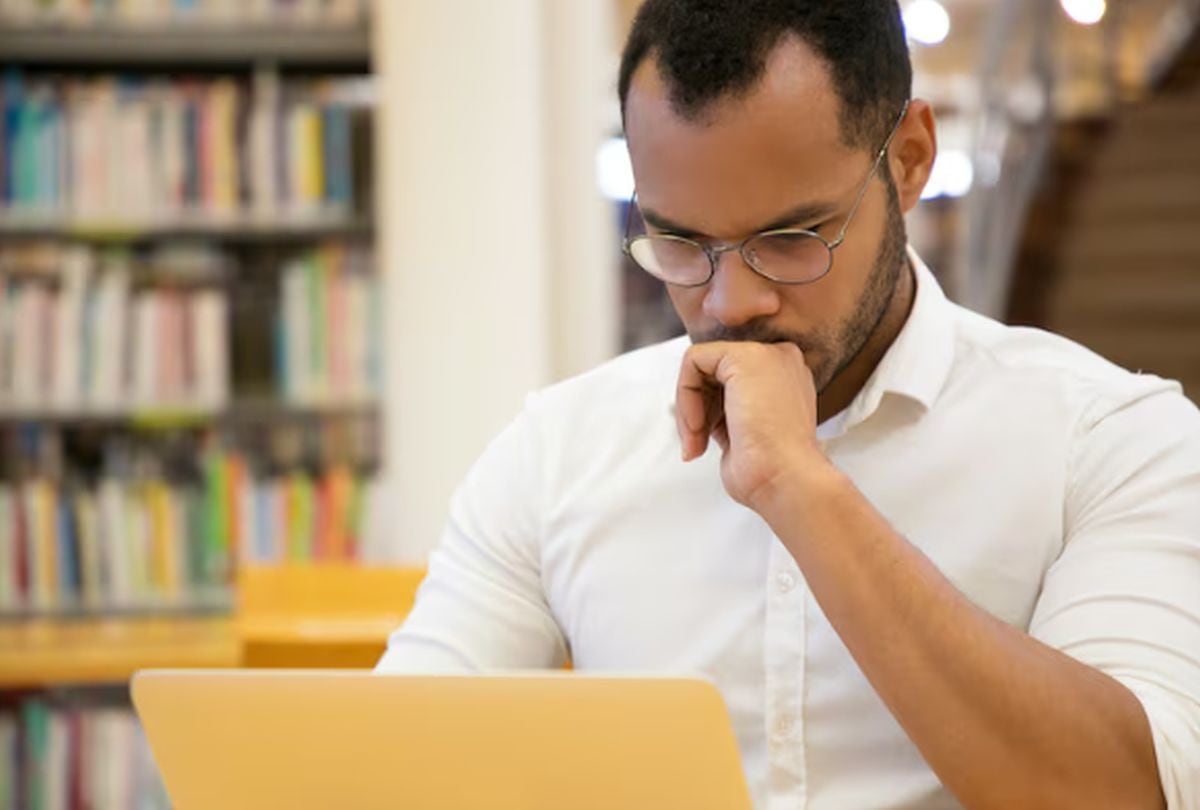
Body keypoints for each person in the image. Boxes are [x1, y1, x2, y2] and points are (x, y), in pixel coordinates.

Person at [376, 1, 1200, 807]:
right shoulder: (558, 451)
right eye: (681, 243)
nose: (732, 303)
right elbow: (391, 770)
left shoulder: (1109, 439)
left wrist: (801, 488)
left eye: (791, 237)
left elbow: (1122, 792)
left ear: (909, 159)